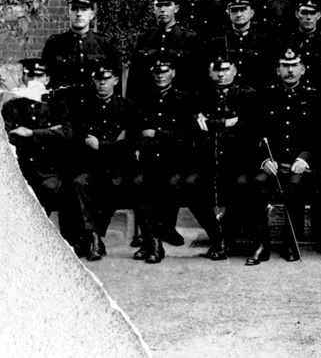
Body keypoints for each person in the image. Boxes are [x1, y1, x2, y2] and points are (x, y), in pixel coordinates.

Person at [252, 47, 321, 264]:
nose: (290, 70)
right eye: (285, 66)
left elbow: (319, 134)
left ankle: (290, 243)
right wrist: (265, 159)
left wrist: (304, 158)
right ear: (278, 70)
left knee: (295, 186)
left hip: (300, 164)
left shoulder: (314, 96)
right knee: (257, 183)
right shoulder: (266, 96)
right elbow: (258, 132)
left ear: (303, 69)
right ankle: (261, 244)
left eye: (294, 66)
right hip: (273, 161)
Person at [191, 51, 261, 260]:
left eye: (226, 69)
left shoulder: (248, 95)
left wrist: (214, 124)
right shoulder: (201, 95)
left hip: (239, 159)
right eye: (217, 70)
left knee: (240, 186)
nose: (221, 74)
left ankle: (227, 236)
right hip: (208, 159)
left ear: (235, 71)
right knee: (191, 185)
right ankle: (216, 236)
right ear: (210, 72)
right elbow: (197, 125)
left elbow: (248, 127)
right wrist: (227, 123)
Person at [130, 51, 195, 264]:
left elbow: (186, 137)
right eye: (156, 72)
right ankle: (152, 241)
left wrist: (157, 135)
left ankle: (154, 240)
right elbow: (134, 130)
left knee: (170, 185)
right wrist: (138, 146)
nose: (160, 76)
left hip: (174, 159)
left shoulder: (184, 100)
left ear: (173, 73)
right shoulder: (143, 98)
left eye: (164, 72)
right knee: (138, 183)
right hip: (148, 158)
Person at [71, 59, 136, 261]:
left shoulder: (127, 107)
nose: (102, 83)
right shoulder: (84, 107)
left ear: (115, 80)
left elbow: (130, 142)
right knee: (80, 182)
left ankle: (93, 238)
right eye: (98, 79)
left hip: (119, 168)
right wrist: (112, 143)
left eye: (106, 79)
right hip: (92, 166)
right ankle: (95, 238)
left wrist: (103, 145)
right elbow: (80, 138)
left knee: (113, 185)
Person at [2, 59, 74, 243]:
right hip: (22, 167)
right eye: (30, 75)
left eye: (39, 76)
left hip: (49, 167)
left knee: (51, 190)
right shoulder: (12, 106)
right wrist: (50, 132)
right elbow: (7, 137)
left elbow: (66, 134)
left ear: (47, 80)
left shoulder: (57, 105)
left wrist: (30, 133)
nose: (34, 80)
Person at [128, 0, 200, 101]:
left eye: (167, 5)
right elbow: (134, 77)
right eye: (159, 5)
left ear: (176, 8)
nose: (162, 10)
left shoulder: (189, 38)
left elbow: (197, 77)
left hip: (181, 102)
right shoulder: (144, 38)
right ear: (153, 9)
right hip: (149, 102)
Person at [41, 0, 116, 95]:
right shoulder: (54, 44)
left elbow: (113, 83)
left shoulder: (104, 43)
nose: (79, 14)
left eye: (84, 9)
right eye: (74, 9)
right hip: (63, 107)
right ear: (68, 12)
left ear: (92, 15)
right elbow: (45, 81)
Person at [206, 0, 276, 91]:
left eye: (243, 10)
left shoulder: (264, 41)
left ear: (252, 13)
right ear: (228, 13)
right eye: (234, 10)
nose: (238, 15)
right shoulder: (217, 41)